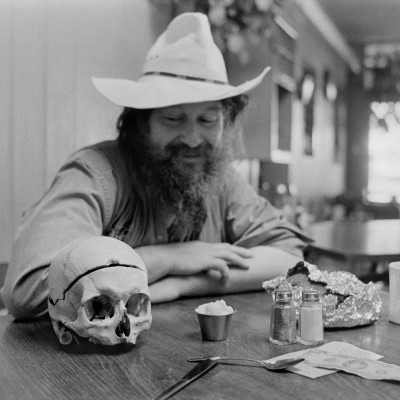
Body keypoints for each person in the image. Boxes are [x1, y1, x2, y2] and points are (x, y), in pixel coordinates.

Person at [1, 12, 310, 320]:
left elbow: (289, 257)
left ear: (225, 123)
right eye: (173, 119)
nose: (192, 139)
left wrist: (183, 283)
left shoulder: (221, 179)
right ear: (140, 123)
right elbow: (28, 292)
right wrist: (168, 258)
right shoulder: (95, 173)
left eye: (208, 120)